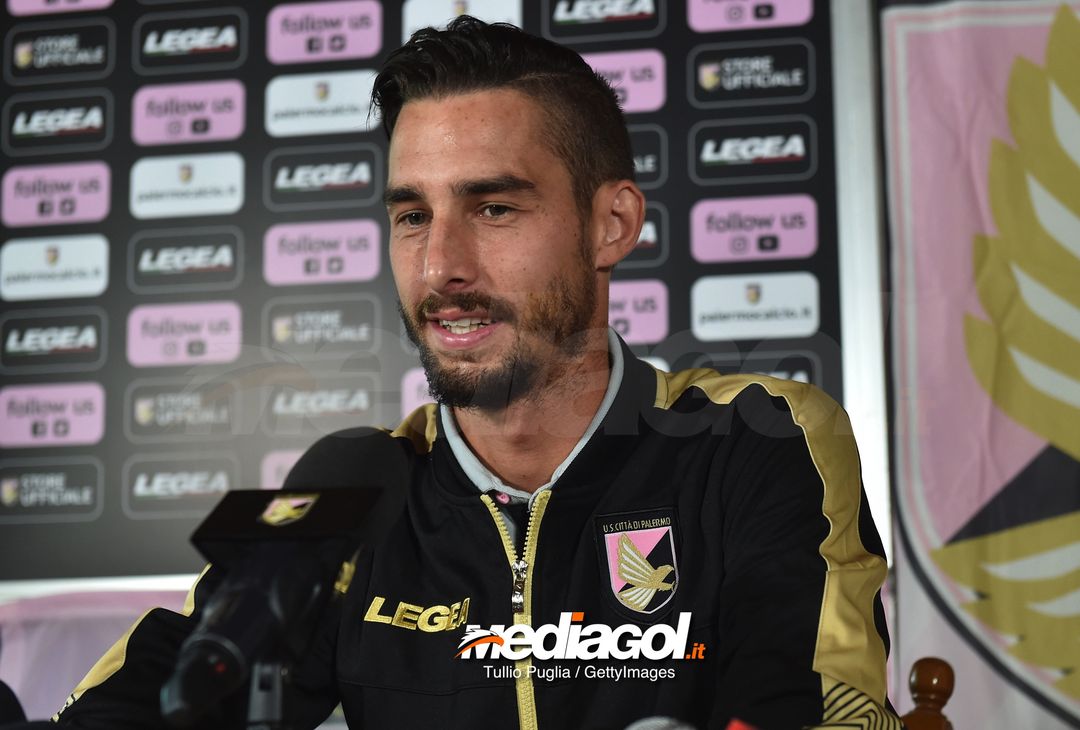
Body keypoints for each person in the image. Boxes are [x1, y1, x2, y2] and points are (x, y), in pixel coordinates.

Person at [49, 17, 899, 730]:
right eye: (413, 215)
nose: (441, 266)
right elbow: (146, 699)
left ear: (611, 224)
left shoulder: (755, 439)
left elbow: (824, 709)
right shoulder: (357, 487)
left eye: (494, 208)